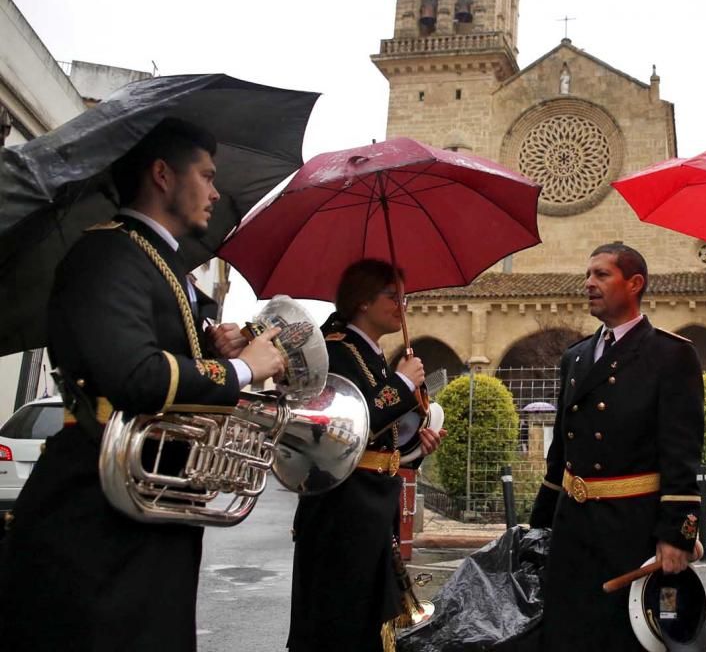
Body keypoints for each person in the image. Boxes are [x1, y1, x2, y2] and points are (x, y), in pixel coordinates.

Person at [0, 119, 287, 652]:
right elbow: (132, 374)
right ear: (162, 174)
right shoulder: (109, 254)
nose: (215, 192)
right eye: (206, 175)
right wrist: (242, 369)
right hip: (95, 519)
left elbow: (163, 359)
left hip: (146, 511)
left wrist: (213, 349)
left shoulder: (160, 263)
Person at [529, 243, 705, 651]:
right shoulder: (575, 357)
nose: (589, 284)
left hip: (631, 528)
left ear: (635, 283)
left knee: (620, 639)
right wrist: (538, 526)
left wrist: (678, 535)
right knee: (566, 634)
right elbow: (561, 458)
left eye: (601, 275)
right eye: (587, 275)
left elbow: (682, 453)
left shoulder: (670, 354)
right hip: (573, 527)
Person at [288, 259, 446, 651]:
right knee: (340, 622)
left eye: (404, 298)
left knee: (369, 622)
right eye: (393, 296)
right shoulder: (333, 352)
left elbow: (384, 439)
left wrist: (414, 449)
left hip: (373, 505)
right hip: (341, 510)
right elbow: (347, 427)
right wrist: (403, 382)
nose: (402, 306)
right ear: (361, 300)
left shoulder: (372, 354)